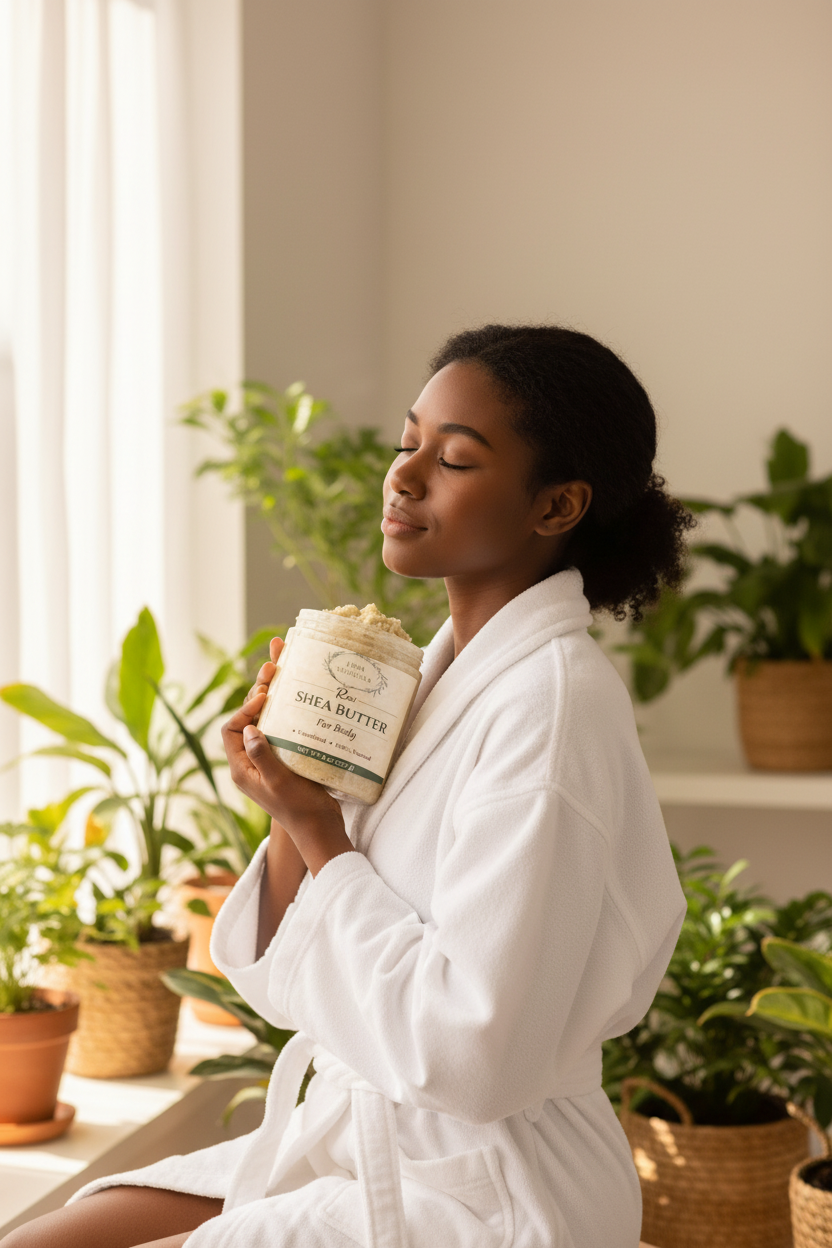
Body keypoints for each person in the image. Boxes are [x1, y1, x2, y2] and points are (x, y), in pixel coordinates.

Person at [3, 325, 690, 1248]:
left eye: (453, 459)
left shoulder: (549, 711)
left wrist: (323, 835)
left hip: (484, 1184)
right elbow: (294, 982)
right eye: (408, 444)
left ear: (557, 505)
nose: (404, 478)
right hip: (365, 1132)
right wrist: (295, 793)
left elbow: (475, 1060)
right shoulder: (432, 678)